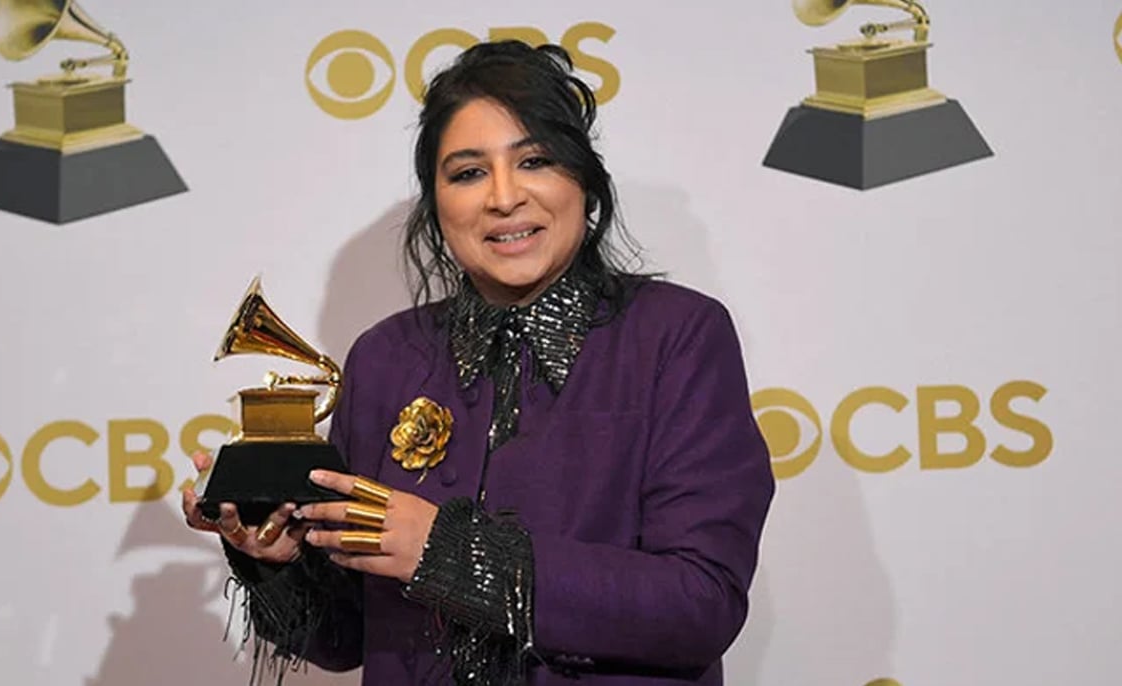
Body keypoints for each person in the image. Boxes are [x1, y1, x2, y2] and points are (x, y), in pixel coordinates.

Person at [183, 40, 774, 685]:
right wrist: (274, 557)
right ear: (437, 205)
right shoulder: (386, 357)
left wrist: (447, 554)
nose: (503, 198)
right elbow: (345, 636)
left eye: (535, 161)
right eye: (467, 173)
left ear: (584, 180)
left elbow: (700, 605)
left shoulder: (675, 335)